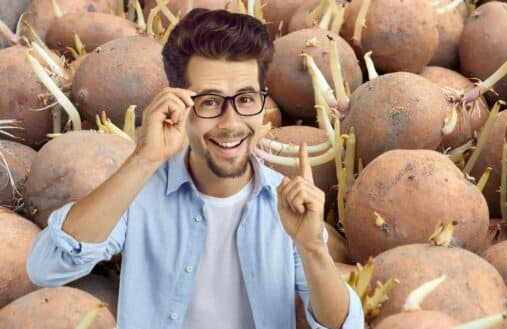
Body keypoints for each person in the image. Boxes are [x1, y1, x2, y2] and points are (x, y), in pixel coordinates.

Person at [26, 8, 364, 329]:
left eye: (245, 99)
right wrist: (143, 159)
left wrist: (313, 248)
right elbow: (47, 267)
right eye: (209, 102)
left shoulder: (288, 205)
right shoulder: (141, 193)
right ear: (179, 105)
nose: (231, 123)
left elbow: (344, 326)